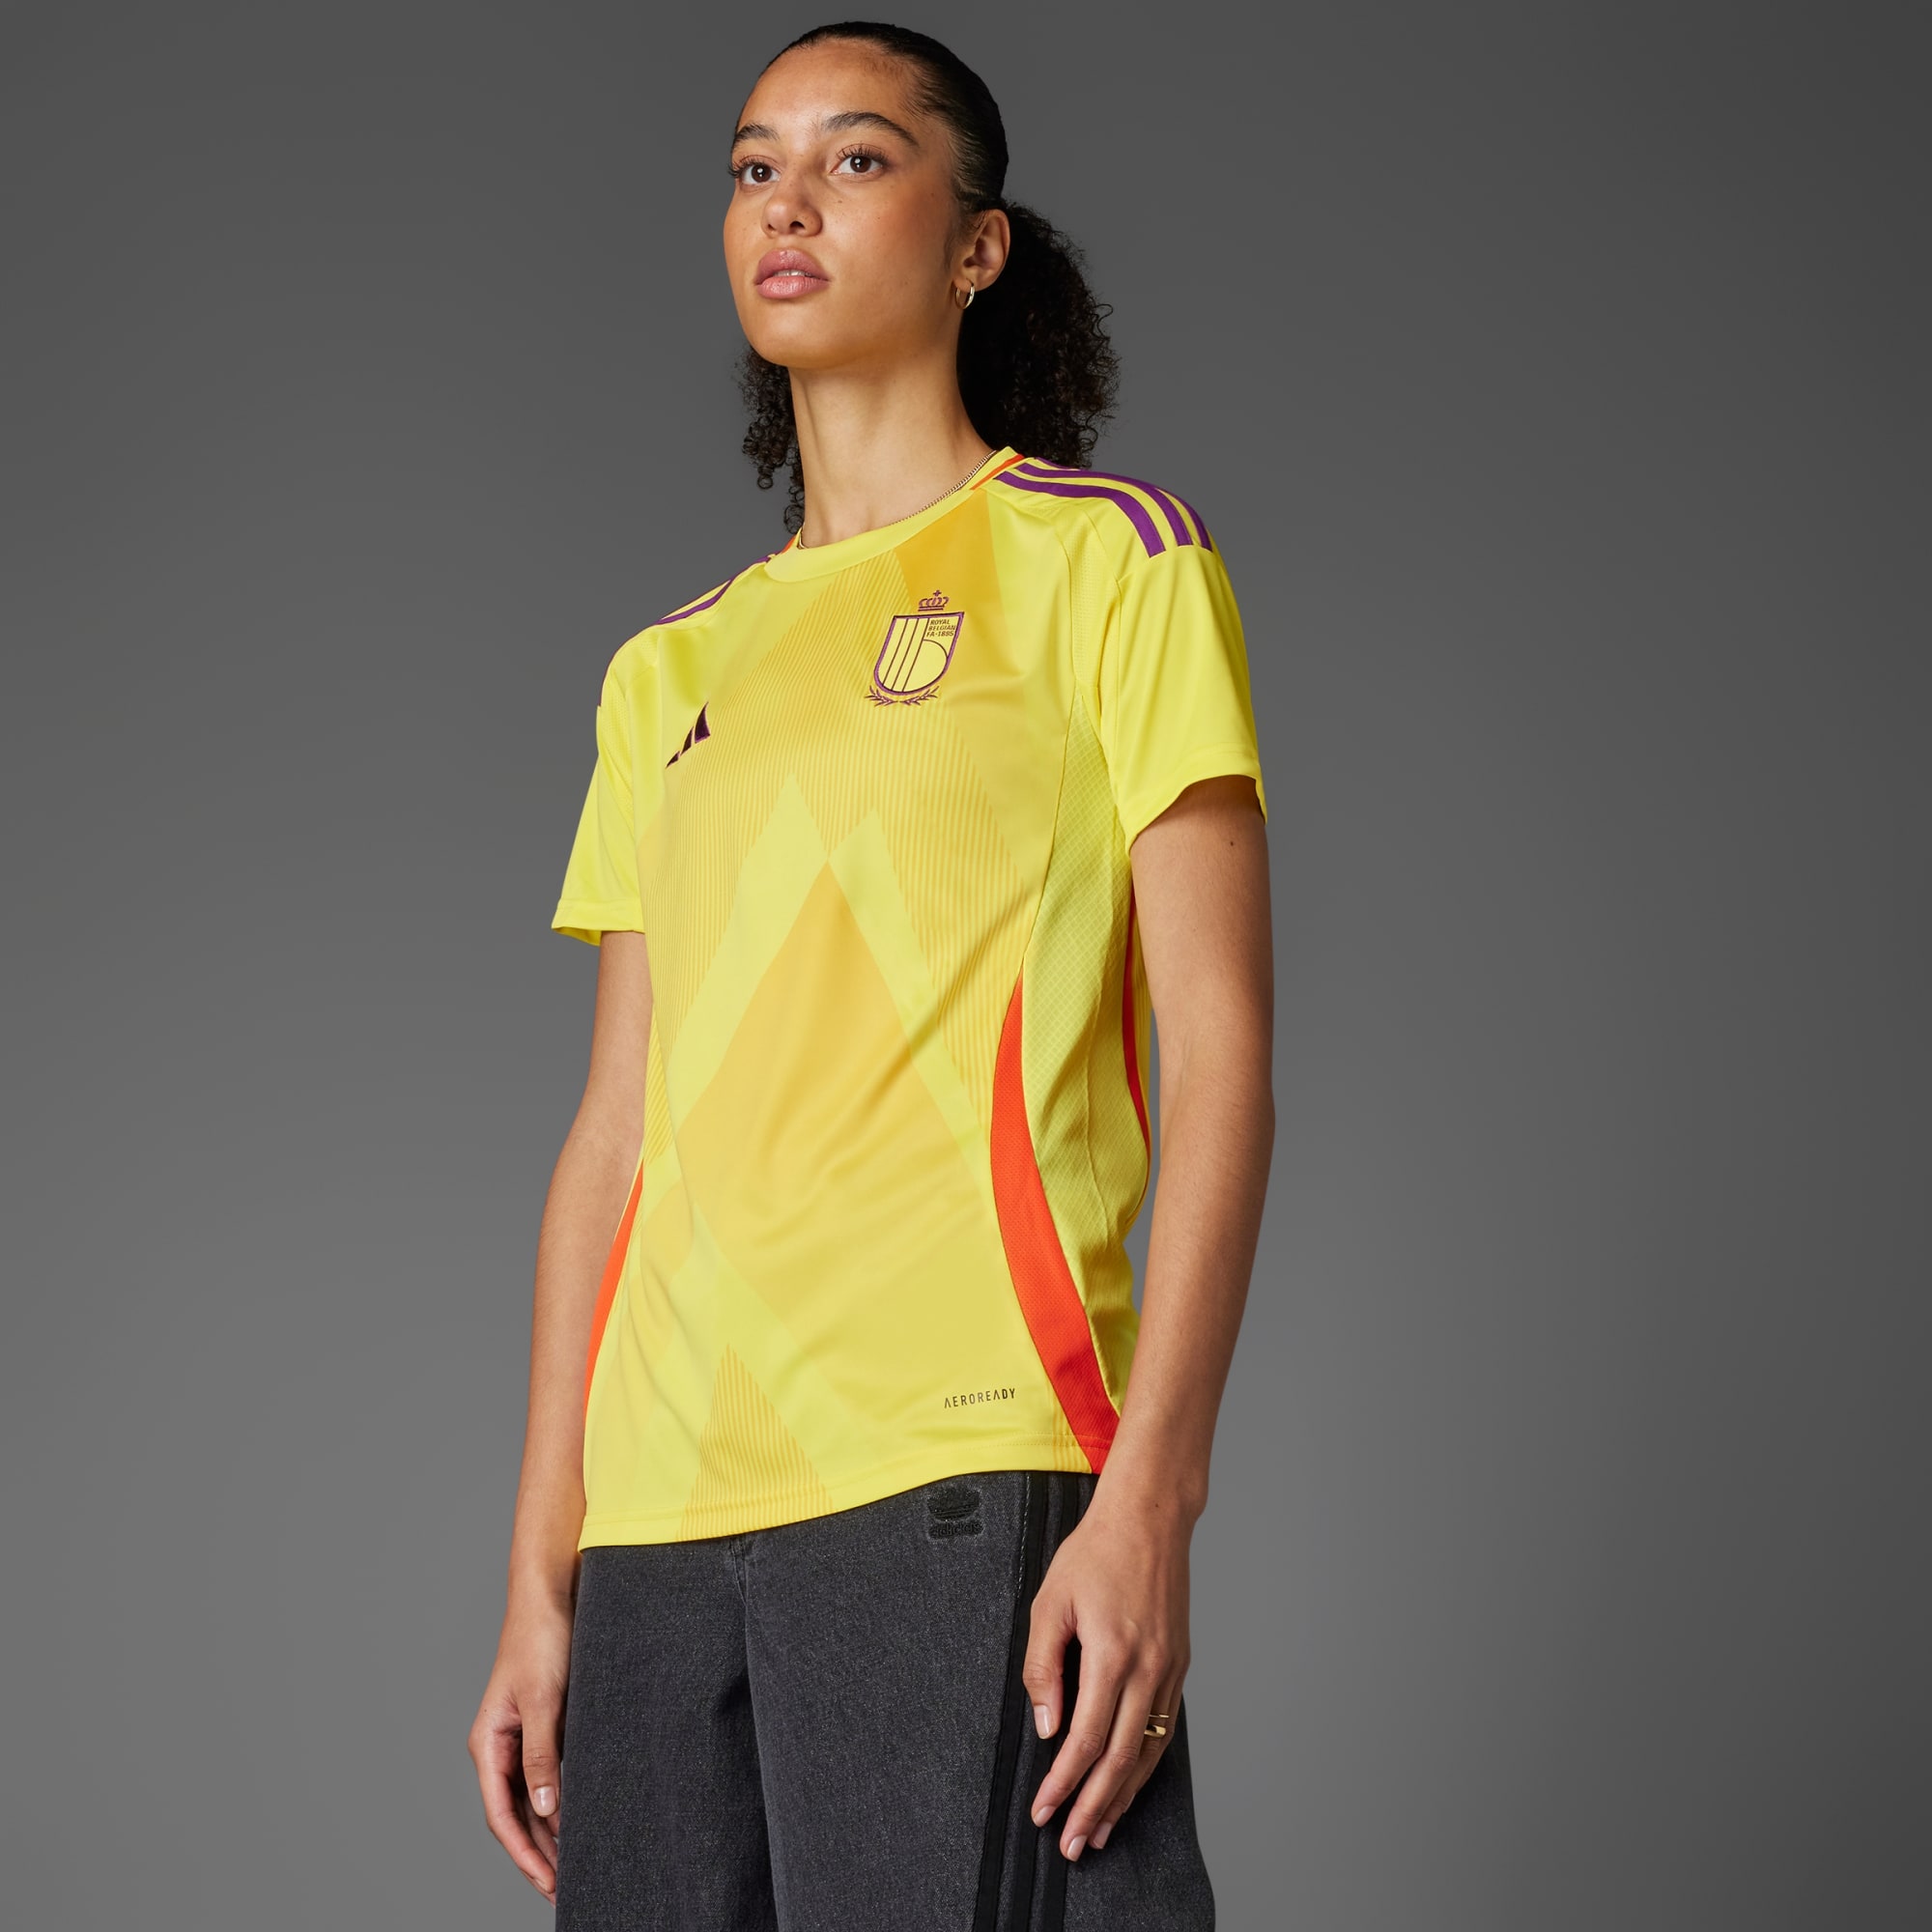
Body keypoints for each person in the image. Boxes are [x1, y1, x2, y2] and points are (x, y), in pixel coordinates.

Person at [467, 20, 1273, 1929]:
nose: (787, 205)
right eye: (755, 167)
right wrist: (538, 1575)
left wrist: (1151, 1499)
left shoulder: (1106, 562)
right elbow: (614, 1137)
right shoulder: (667, 671)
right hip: (662, 1519)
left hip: (956, 1462)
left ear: (978, 244)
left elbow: (1223, 1057)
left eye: (854, 159)